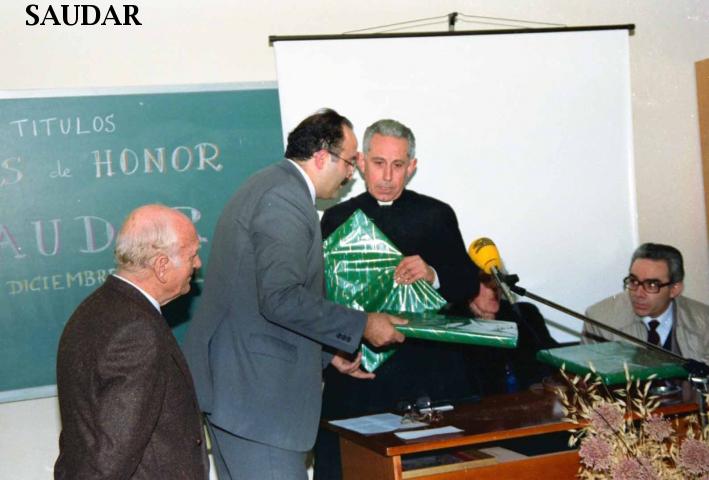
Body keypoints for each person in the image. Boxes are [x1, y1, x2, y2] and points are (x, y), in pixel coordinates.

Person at [182, 108, 406, 480]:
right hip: (258, 402)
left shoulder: (272, 186)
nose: (352, 174)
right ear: (322, 156)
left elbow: (258, 303)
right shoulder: (284, 199)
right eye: (350, 162)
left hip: (245, 397)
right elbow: (281, 298)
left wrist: (325, 352)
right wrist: (363, 324)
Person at [314, 118, 479, 480]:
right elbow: (322, 299)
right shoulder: (337, 218)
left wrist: (433, 273)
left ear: (412, 167)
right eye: (378, 163)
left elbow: (467, 284)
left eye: (398, 165)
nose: (387, 176)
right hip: (363, 376)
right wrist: (336, 352)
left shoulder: (437, 215)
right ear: (359, 162)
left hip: (426, 375)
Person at [54, 204, 209, 480]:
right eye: (192, 255)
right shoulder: (137, 332)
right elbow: (113, 452)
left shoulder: (94, 309)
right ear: (162, 266)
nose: (197, 264)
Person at [582, 243, 709, 363]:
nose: (638, 293)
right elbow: (590, 380)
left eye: (652, 285)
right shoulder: (599, 320)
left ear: (674, 289)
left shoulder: (704, 322)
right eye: (633, 281)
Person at [451, 269, 559, 395]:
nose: (494, 287)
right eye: (486, 281)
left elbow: (554, 357)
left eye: (498, 280)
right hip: (481, 408)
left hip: (533, 403)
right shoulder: (452, 322)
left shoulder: (525, 314)